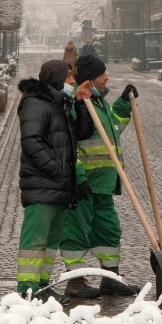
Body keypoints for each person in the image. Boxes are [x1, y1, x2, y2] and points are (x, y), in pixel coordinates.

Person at [16, 60, 93, 300]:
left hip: (58, 187)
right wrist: (56, 169)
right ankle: (27, 291)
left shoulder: (60, 102)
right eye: (69, 78)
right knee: (35, 241)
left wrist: (80, 104)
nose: (72, 82)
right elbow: (31, 142)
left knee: (49, 244)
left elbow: (81, 133)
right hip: (43, 185)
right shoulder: (36, 103)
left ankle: (42, 287)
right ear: (56, 78)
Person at [64, 54, 141, 296]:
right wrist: (77, 176)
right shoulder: (76, 102)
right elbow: (69, 143)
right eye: (101, 74)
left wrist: (123, 104)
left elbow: (113, 126)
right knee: (76, 229)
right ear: (89, 78)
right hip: (84, 182)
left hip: (104, 183)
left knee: (108, 228)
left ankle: (110, 277)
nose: (106, 77)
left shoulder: (98, 101)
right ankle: (75, 281)